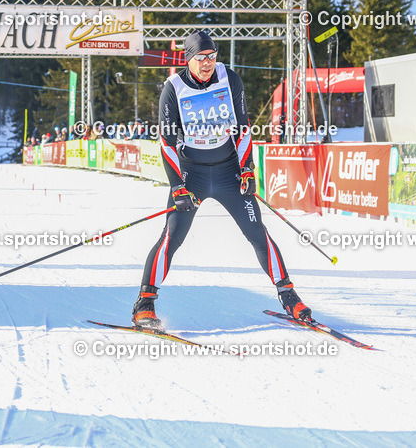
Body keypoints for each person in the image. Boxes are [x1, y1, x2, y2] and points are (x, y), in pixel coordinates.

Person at [132, 30, 312, 329]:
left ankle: (289, 297)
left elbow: (243, 127)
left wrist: (248, 169)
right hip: (193, 174)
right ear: (188, 59)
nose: (208, 63)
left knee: (257, 233)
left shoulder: (229, 78)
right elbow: (166, 142)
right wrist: (178, 185)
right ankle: (144, 304)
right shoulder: (173, 87)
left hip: (229, 171)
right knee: (171, 238)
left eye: (212, 56)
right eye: (201, 58)